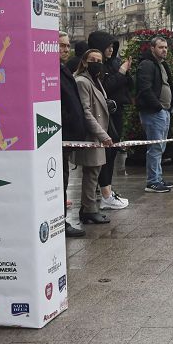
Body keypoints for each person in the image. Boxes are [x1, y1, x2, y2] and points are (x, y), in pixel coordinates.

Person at [89, 31, 130, 210]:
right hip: (105, 117)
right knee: (106, 155)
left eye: (113, 46)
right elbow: (105, 87)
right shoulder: (98, 67)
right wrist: (121, 73)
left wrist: (124, 73)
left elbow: (126, 85)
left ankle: (107, 190)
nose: (111, 49)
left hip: (116, 113)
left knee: (111, 155)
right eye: (108, 45)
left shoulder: (112, 64)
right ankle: (105, 193)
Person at [72, 49, 113, 226]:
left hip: (98, 134)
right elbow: (86, 111)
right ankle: (89, 210)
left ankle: (89, 208)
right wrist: (102, 135)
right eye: (92, 59)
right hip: (92, 135)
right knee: (91, 173)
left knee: (94, 172)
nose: (97, 62)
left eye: (99, 60)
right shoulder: (82, 81)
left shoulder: (95, 80)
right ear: (85, 61)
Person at [137, 36, 173, 193]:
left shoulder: (162, 65)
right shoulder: (147, 65)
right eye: (161, 47)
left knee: (160, 147)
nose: (164, 50)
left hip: (164, 111)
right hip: (154, 112)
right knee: (155, 147)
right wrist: (158, 107)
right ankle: (153, 181)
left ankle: (158, 178)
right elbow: (145, 88)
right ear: (152, 48)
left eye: (166, 47)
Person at [59, 32, 87, 238]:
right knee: (60, 177)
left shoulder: (62, 69)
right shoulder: (50, 71)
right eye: (61, 46)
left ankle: (62, 219)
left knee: (64, 176)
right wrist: (69, 119)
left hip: (68, 134)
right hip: (60, 134)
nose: (66, 50)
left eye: (67, 46)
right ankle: (60, 221)